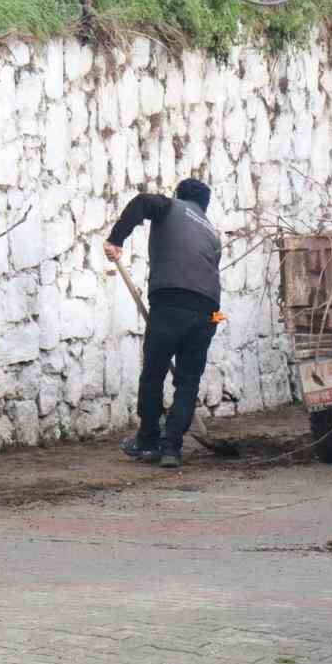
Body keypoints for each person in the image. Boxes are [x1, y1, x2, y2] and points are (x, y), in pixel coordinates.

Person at [103, 178, 223, 469]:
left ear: (179, 194)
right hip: (209, 311)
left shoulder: (171, 206)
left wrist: (116, 239)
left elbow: (143, 202)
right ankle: (172, 449)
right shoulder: (213, 234)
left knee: (154, 373)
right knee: (187, 380)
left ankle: (147, 440)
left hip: (169, 303)